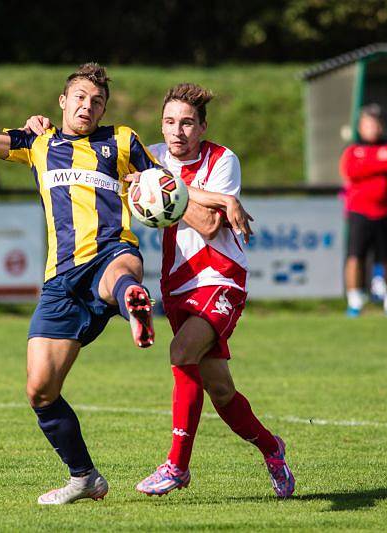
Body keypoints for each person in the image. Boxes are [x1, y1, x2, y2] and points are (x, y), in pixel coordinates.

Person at [0, 48, 158, 505]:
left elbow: (166, 188)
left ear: (104, 111)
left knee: (122, 273)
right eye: (81, 97)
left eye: (97, 101)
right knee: (40, 390)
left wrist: (149, 188)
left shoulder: (123, 142)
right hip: (61, 280)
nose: (88, 106)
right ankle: (85, 477)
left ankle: (134, 302)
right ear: (62, 100)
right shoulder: (38, 143)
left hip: (112, 252)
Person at [125, 83, 293, 498]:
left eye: (186, 123)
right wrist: (42, 127)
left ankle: (176, 467)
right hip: (177, 284)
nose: (176, 132)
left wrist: (156, 185)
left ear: (202, 127)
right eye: (168, 122)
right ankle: (272, 448)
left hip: (221, 278)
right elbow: (98, 158)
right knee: (219, 389)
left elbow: (209, 224)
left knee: (181, 352)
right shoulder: (151, 154)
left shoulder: (223, 159)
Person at [339, 104, 387, 317]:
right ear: (360, 127)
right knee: (355, 257)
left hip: (386, 212)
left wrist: (365, 164)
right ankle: (355, 301)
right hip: (359, 212)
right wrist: (376, 163)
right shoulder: (352, 150)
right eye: (367, 124)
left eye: (375, 124)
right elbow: (350, 171)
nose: (372, 128)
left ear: (382, 127)